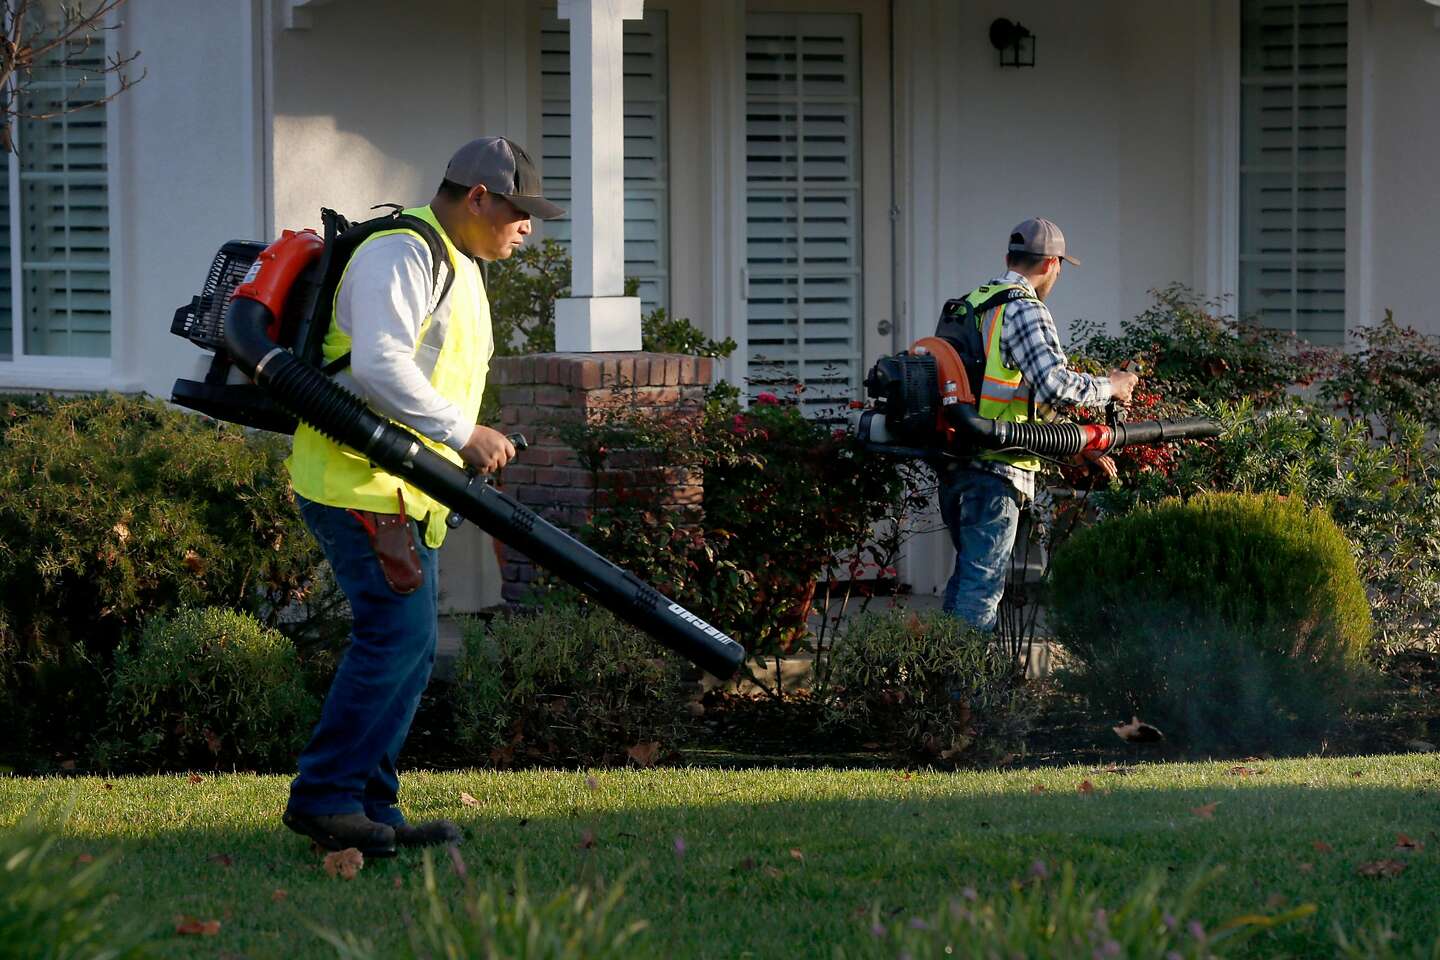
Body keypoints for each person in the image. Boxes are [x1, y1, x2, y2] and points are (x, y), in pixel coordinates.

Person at [281, 137, 564, 857]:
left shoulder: (457, 260)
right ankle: (326, 798)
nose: (527, 225)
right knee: (396, 637)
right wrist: (463, 431)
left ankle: (373, 805)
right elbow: (377, 366)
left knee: (411, 647)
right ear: (478, 197)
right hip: (360, 484)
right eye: (519, 210)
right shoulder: (402, 253)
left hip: (408, 493)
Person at [937, 218, 1138, 631]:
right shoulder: (1025, 308)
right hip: (996, 468)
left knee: (966, 581)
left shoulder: (974, 302)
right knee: (981, 589)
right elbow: (1055, 385)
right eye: (1061, 265)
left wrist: (1076, 444)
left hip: (959, 462)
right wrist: (1112, 386)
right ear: (1050, 264)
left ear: (1009, 257)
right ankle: (965, 692)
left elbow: (1017, 393)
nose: (1059, 274)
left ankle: (943, 684)